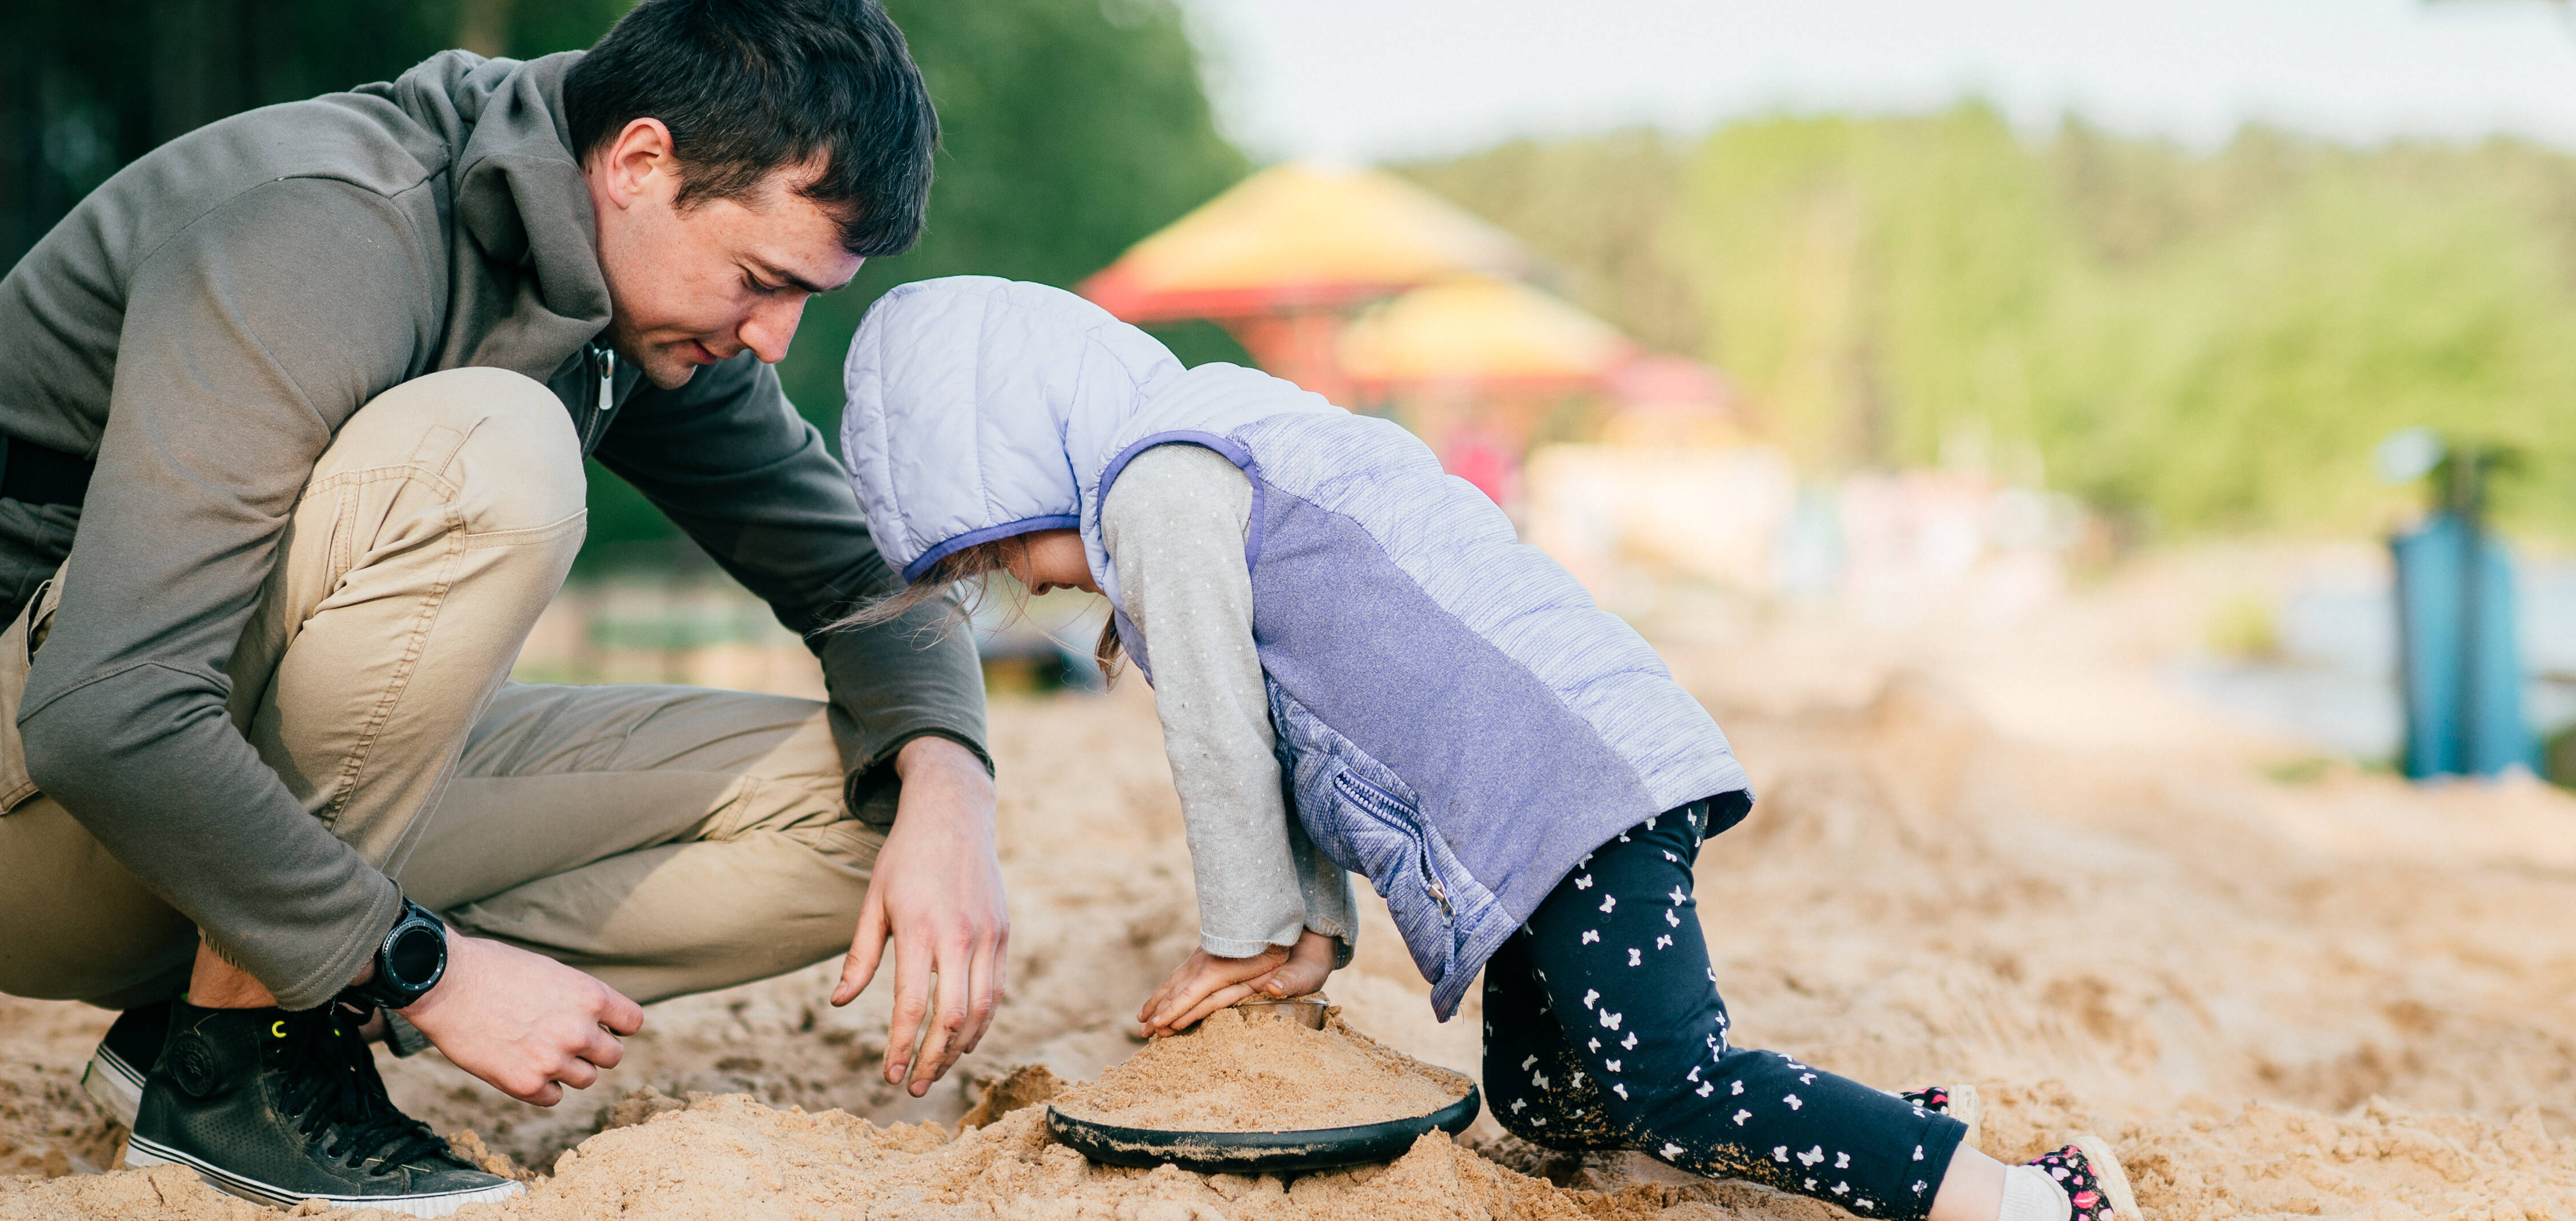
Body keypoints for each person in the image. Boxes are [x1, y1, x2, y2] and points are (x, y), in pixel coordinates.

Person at [0, 0, 1008, 1216]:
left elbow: (855, 577)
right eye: (762, 281)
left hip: (215, 826)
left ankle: (197, 1025)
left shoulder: (646, 305)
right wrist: (424, 970)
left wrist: (950, 775)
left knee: (878, 828)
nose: (772, 339)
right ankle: (244, 1067)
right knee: (491, 450)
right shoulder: (330, 225)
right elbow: (103, 711)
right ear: (638, 165)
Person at [831, 276, 2144, 1221]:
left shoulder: (1154, 487)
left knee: (1667, 1077)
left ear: (1035, 461)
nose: (1026, 584)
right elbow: (1294, 737)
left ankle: (2030, 1196)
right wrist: (1311, 934)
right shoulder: (1206, 435)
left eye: (1003, 549)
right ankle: (1906, 1127)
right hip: (1530, 806)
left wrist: (1239, 932)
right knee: (1544, 1100)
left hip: (1559, 787)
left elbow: (1219, 731)